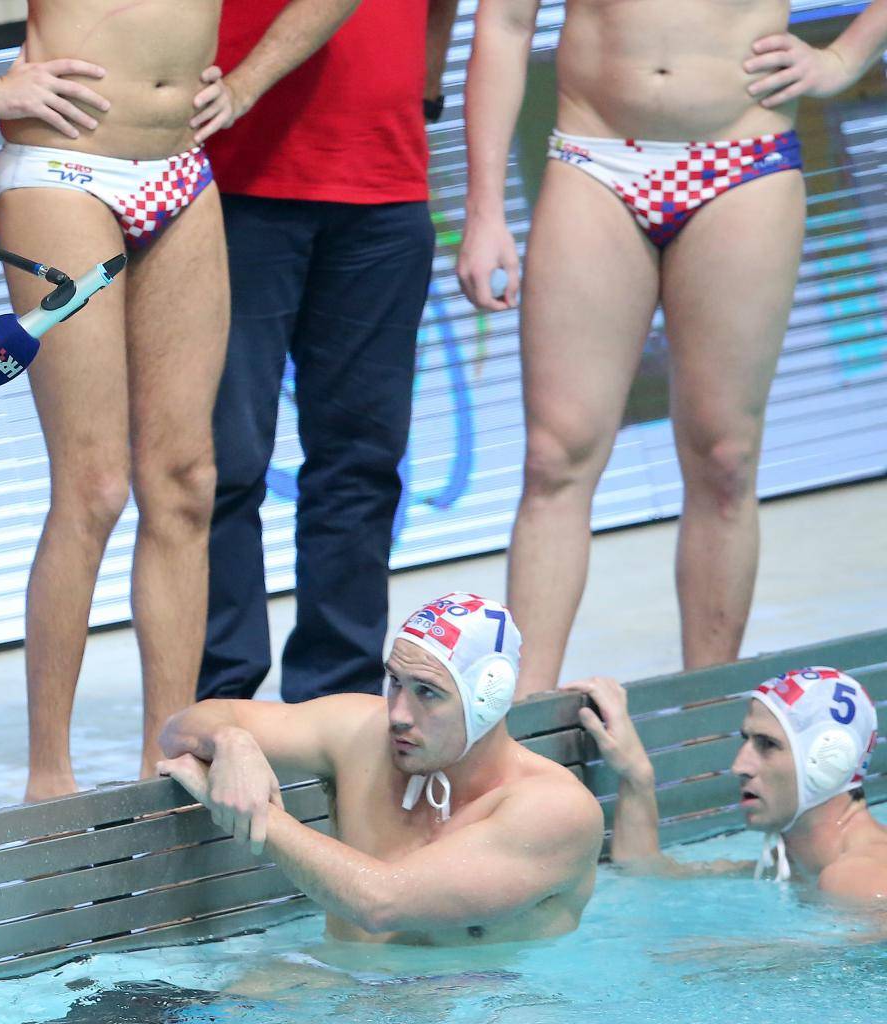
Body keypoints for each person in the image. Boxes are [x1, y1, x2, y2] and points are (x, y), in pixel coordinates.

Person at [0, 0, 405, 802]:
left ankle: (168, 756)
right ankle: (47, 780)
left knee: (188, 482)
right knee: (92, 488)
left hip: (182, 169)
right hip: (66, 170)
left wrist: (252, 80)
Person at [456, 0, 887, 695]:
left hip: (743, 161)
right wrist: (483, 210)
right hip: (593, 159)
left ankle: (704, 712)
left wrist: (842, 58)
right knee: (554, 455)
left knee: (725, 457)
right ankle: (523, 722)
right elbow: (505, 22)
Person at [198, 0, 459, 706]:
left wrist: (423, 89)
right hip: (233, 179)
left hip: (383, 180)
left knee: (361, 461)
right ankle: (222, 703)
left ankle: (338, 696)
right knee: (218, 464)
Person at [159, 594, 602, 943]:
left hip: (480, 1011)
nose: (398, 714)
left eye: (427, 692)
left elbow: (381, 903)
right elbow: (180, 728)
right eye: (395, 682)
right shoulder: (359, 730)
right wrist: (231, 743)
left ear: (487, 699)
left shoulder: (554, 811)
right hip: (336, 991)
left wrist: (257, 814)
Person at [577, 670, 886, 899]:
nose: (739, 766)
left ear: (830, 760)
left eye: (767, 744)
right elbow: (644, 871)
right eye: (746, 740)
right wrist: (637, 775)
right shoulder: (792, 865)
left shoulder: (858, 877)